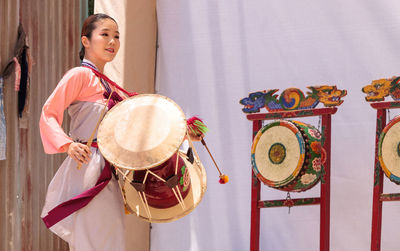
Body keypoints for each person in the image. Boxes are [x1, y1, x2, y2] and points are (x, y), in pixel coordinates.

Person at [39, 13, 130, 251]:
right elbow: (49, 112)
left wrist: (182, 130)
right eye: (105, 35)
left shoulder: (108, 83)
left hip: (108, 167)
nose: (112, 41)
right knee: (93, 240)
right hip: (88, 166)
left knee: (110, 239)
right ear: (85, 41)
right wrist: (68, 145)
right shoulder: (79, 75)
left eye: (117, 36)